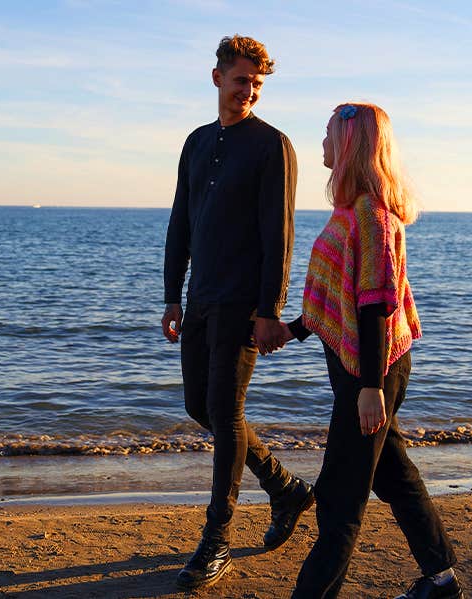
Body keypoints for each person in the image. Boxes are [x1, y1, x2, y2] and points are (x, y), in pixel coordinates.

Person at [281, 103, 463, 599]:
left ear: (349, 146)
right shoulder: (350, 208)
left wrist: (370, 388)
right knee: (395, 476)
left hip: (373, 371)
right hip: (360, 369)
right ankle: (440, 580)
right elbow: (339, 293)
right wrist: (292, 331)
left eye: (326, 137)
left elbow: (377, 305)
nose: (320, 145)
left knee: (340, 495)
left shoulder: (373, 215)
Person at [161, 35, 314, 591]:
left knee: (225, 417)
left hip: (241, 307)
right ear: (217, 78)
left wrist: (270, 310)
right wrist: (172, 295)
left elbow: (280, 235)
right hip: (199, 300)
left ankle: (216, 540)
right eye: (240, 79)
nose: (248, 90)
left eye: (256, 82)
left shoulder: (272, 145)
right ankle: (285, 488)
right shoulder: (197, 142)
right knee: (199, 407)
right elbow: (182, 220)